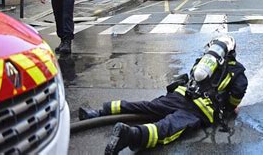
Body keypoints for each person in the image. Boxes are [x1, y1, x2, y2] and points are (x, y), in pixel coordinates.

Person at [78, 35, 248, 154]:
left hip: (180, 95)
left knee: (145, 107)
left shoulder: (204, 61)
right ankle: (130, 136)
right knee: (168, 128)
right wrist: (230, 108)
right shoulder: (237, 71)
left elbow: (193, 75)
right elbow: (237, 94)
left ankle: (97, 113)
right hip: (199, 110)